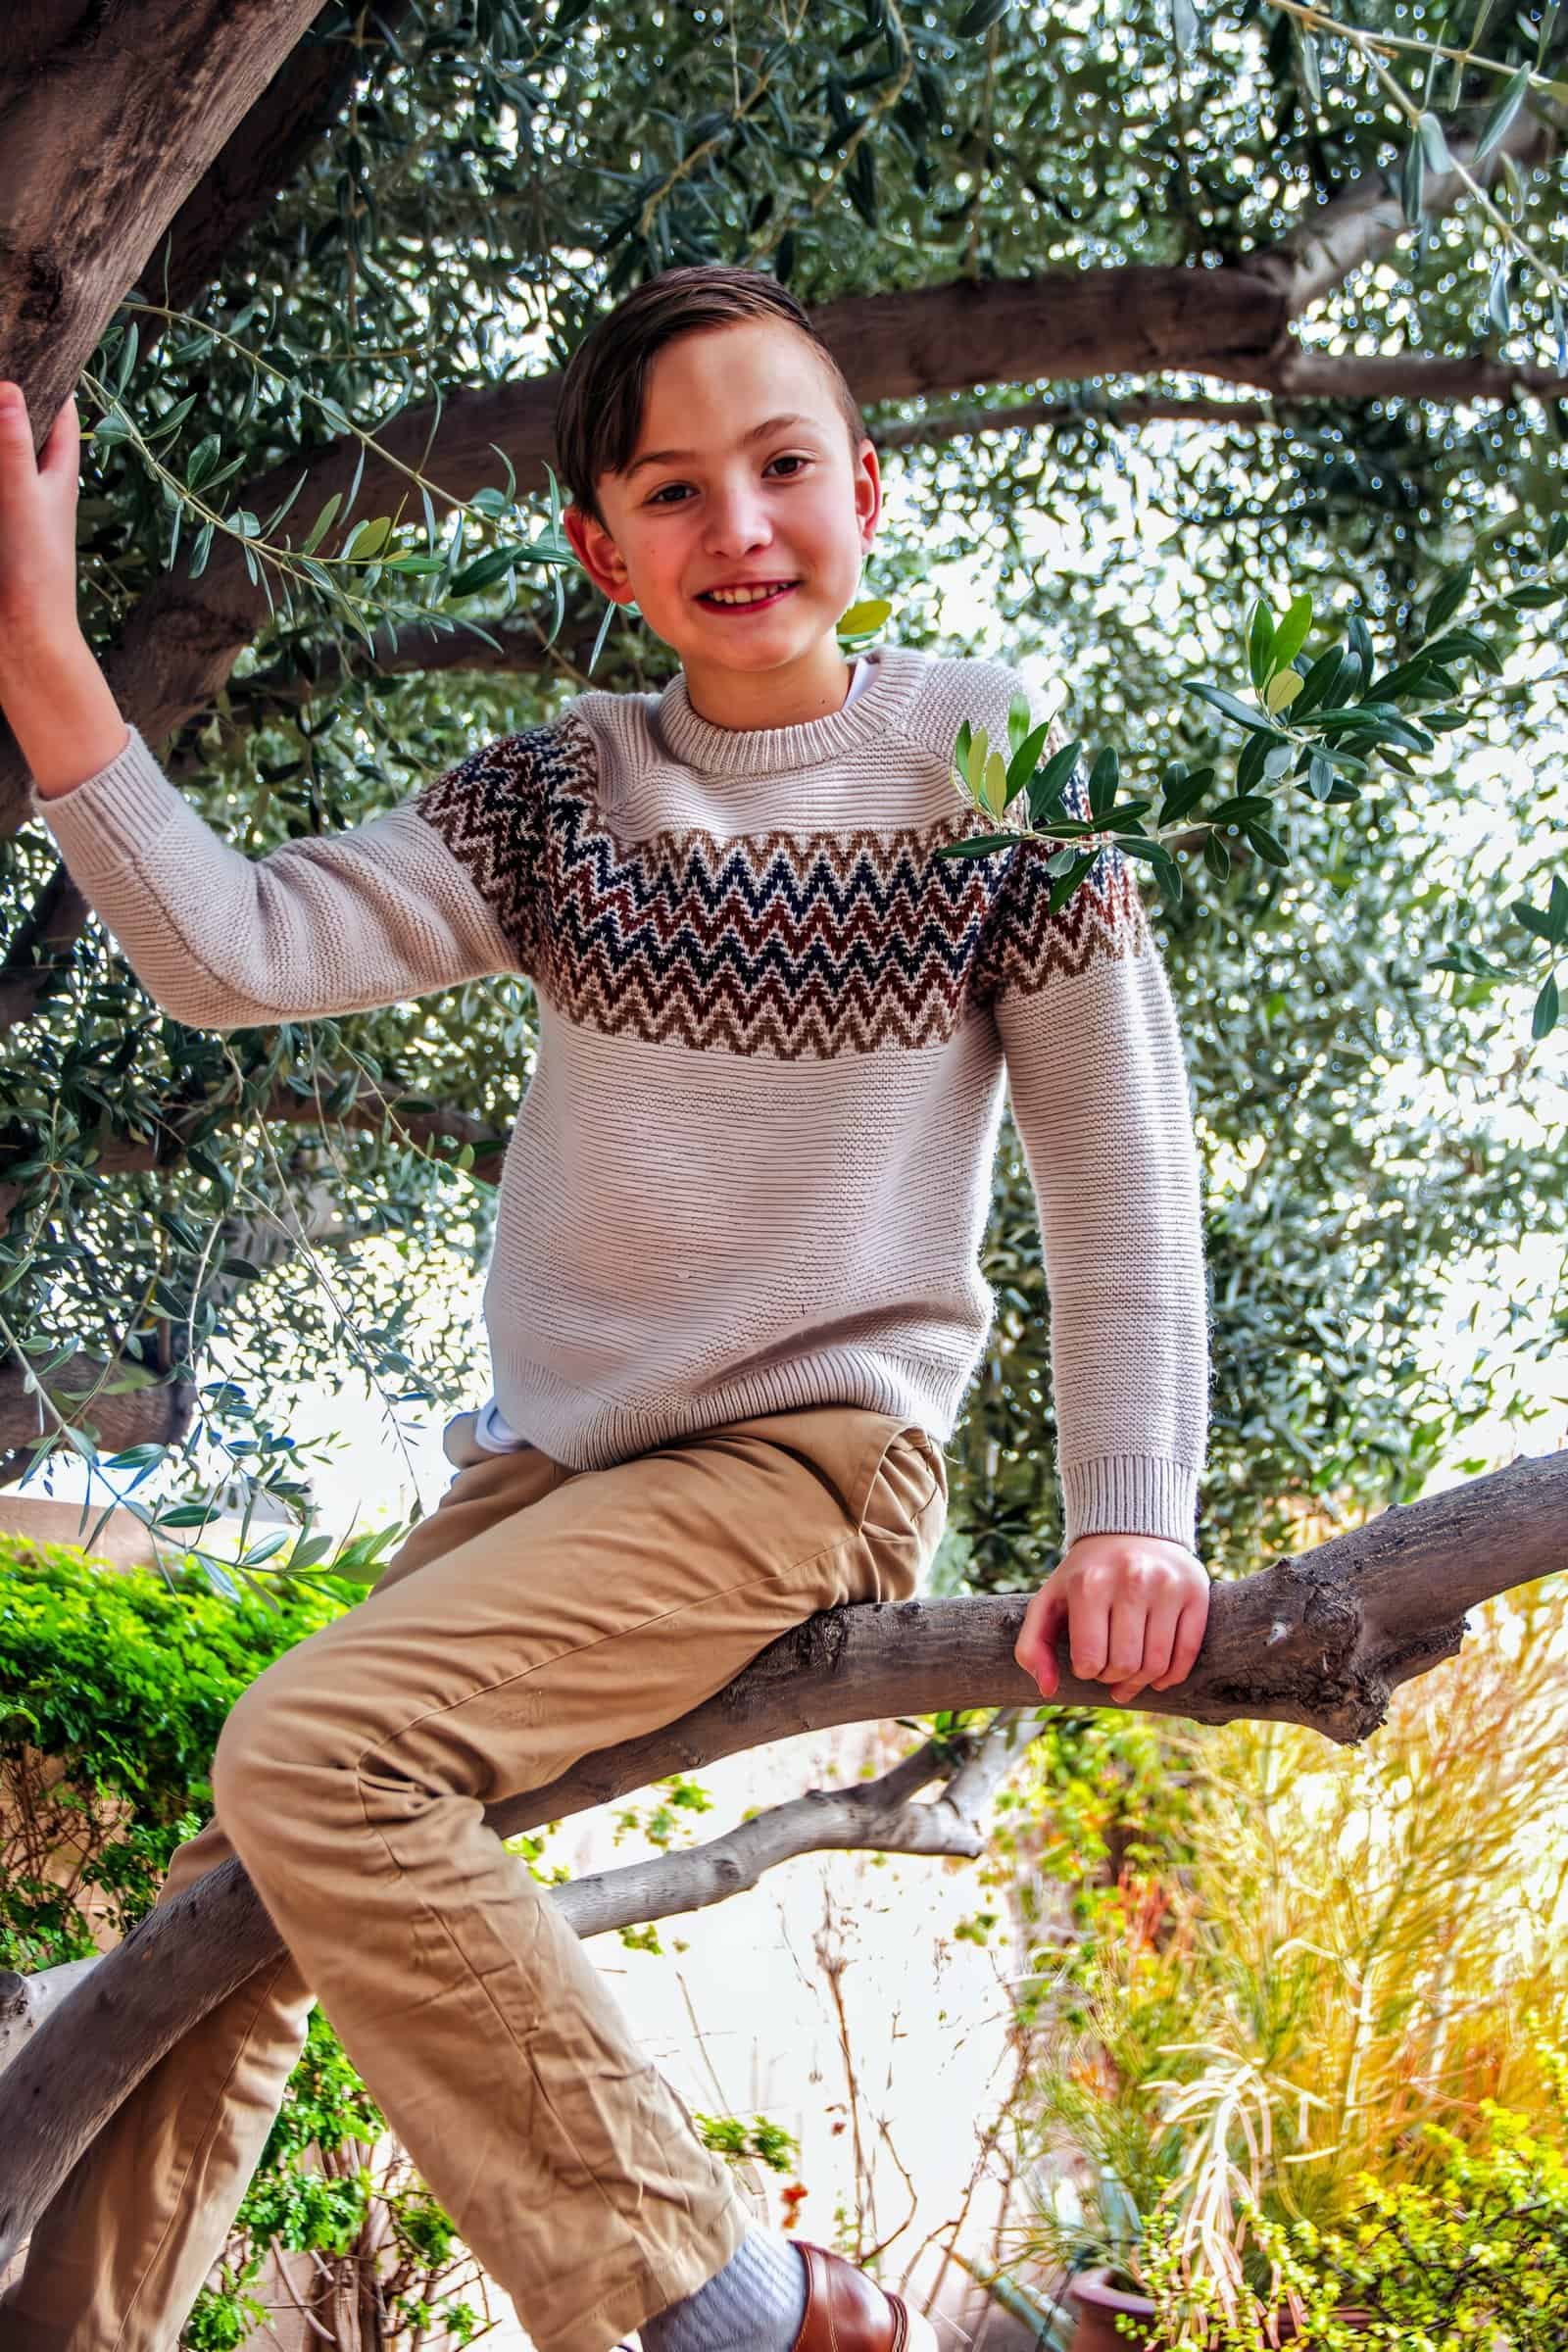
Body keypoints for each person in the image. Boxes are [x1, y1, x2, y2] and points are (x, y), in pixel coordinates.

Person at [0, 263, 1212, 2352]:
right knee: (244, 1890)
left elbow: (1118, 1169)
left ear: (866, 492)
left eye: (784, 467)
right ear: (601, 550)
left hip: (804, 1463)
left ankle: (728, 2303)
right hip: (550, 1477)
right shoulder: (565, 795)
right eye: (673, 490)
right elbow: (232, 952)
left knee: (317, 1755)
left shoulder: (990, 760)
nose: (739, 525)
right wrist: (43, 655)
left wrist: (1133, 1512)